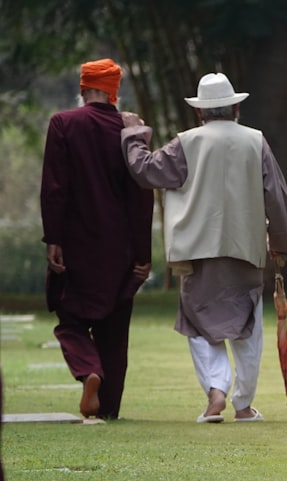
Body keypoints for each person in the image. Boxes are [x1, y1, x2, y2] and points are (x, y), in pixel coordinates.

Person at [120, 72, 287, 424]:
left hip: (196, 249)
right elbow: (276, 198)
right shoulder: (255, 141)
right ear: (235, 107)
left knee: (198, 322)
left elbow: (146, 170)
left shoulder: (186, 143)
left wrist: (134, 134)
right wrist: (280, 245)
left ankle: (216, 390)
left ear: (200, 112)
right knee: (247, 325)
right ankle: (243, 405)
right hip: (244, 247)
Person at [40, 58, 154, 420]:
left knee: (70, 318)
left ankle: (89, 369)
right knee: (115, 328)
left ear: (83, 87)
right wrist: (143, 253)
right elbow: (142, 194)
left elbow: (54, 188)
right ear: (114, 92)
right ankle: (108, 409)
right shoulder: (129, 131)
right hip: (119, 247)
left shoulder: (63, 123)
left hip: (75, 243)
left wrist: (53, 239)